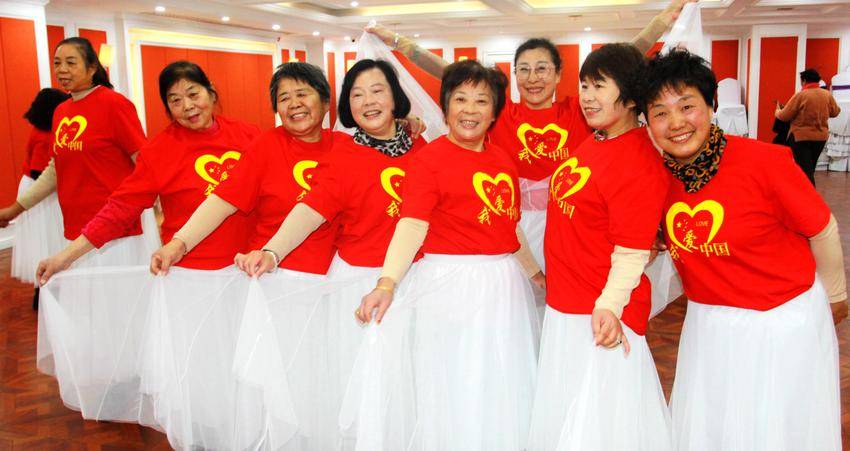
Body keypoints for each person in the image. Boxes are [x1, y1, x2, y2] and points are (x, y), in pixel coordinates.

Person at [169, 59, 426, 450]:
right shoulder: (344, 153)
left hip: (410, 281)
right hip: (349, 282)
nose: (368, 101)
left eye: (378, 91)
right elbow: (310, 209)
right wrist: (270, 251)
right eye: (358, 94)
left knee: (406, 376)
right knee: (347, 381)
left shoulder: (418, 148)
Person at [366, 0, 692, 273]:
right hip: (515, 228)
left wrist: (662, 22)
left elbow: (622, 63)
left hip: (570, 224)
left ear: (558, 74)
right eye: (523, 69)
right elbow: (448, 71)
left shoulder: (579, 112)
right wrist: (397, 41)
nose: (532, 77)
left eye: (542, 68)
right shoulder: (501, 114)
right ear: (514, 74)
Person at [646, 49, 845, 451]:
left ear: (712, 106)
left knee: (776, 429)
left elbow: (822, 228)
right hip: (709, 324)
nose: (676, 122)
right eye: (660, 113)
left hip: (780, 323)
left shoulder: (765, 161)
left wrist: (837, 295)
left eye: (687, 106)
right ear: (647, 123)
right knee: (715, 426)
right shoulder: (656, 177)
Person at [353, 59, 542, 450]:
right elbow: (411, 226)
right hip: (449, 285)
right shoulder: (429, 160)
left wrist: (534, 273)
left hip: (503, 284)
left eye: (481, 101)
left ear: (494, 112)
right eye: (460, 99)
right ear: (445, 108)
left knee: (500, 376)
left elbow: (510, 227)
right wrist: (387, 283)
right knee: (455, 377)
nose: (470, 110)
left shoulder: (503, 161)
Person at [527, 44, 673, 451]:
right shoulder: (598, 140)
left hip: (601, 313)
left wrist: (609, 306)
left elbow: (631, 250)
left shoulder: (638, 159)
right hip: (568, 304)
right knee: (569, 412)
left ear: (630, 96)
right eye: (584, 86)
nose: (587, 97)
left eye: (599, 86)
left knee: (602, 425)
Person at [35, 60, 260, 282]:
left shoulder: (249, 136)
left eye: (193, 94)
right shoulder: (159, 152)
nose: (187, 106)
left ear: (210, 92)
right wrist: (65, 257)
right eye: (175, 101)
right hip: (193, 271)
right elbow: (120, 209)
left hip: (249, 266)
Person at [0, 37, 159, 269]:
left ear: (92, 68)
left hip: (115, 229)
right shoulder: (61, 112)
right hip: (76, 225)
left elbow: (144, 162)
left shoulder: (114, 104)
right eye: (57, 63)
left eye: (71, 62)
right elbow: (56, 169)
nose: (62, 69)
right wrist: (15, 209)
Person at [10, 88, 69, 296]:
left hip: (36, 189)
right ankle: (44, 289)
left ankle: (44, 287)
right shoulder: (45, 136)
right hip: (40, 193)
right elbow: (39, 172)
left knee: (44, 238)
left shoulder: (39, 130)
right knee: (46, 238)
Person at [775, 68, 841, 185]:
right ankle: (804, 192)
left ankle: (809, 194)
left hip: (801, 138)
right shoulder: (827, 95)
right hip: (820, 138)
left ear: (804, 80)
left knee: (805, 171)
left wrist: (777, 111)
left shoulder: (801, 95)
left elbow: (784, 116)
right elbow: (836, 112)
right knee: (810, 168)